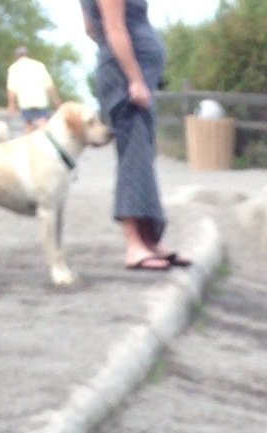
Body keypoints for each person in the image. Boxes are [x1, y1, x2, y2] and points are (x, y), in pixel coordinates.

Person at [81, 0, 191, 270]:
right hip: (126, 77)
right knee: (133, 153)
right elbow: (114, 27)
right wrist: (135, 78)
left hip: (125, 68)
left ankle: (149, 241)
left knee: (142, 153)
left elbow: (91, 29)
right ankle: (134, 244)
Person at [6, 46, 60, 130]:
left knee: (29, 126)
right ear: (28, 55)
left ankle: (30, 136)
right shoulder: (39, 65)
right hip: (41, 101)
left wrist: (12, 104)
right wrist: (56, 101)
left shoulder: (14, 68)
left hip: (25, 102)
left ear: (17, 56)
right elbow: (49, 85)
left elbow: (11, 89)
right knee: (44, 126)